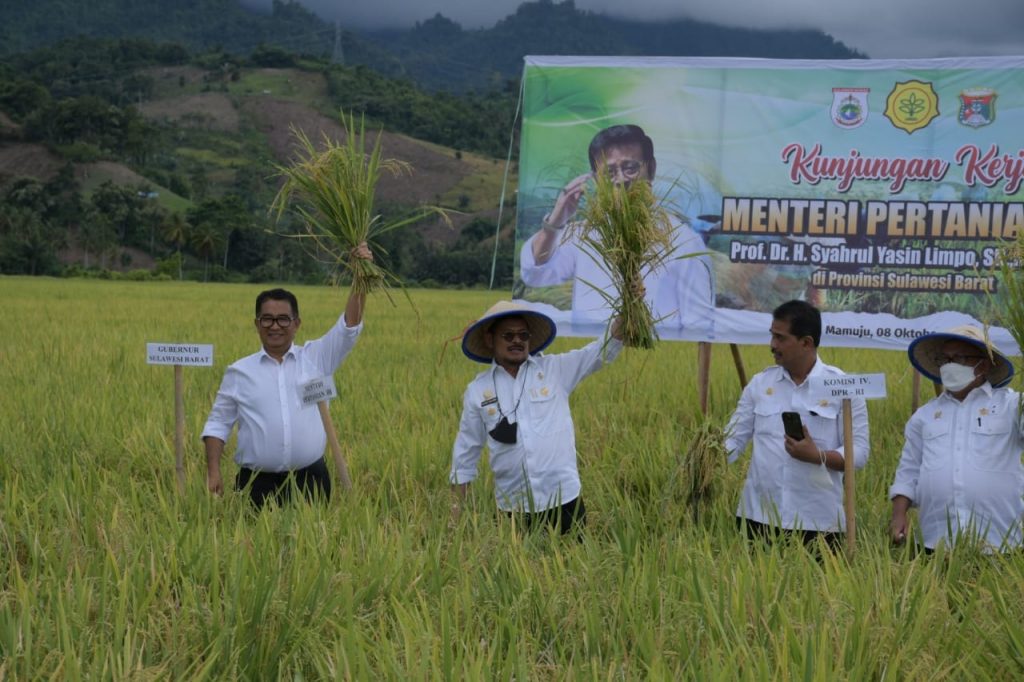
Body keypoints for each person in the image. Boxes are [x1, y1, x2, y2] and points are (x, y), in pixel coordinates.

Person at [201, 244, 372, 508]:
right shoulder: (239, 372)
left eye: (283, 319)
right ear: (257, 324)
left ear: (296, 323)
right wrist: (213, 471)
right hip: (255, 484)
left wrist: (360, 277)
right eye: (267, 319)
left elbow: (349, 326)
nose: (275, 326)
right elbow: (217, 424)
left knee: (314, 544)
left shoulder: (316, 358)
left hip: (310, 480)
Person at [449, 300, 626, 535]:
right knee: (515, 570)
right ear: (490, 340)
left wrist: (629, 305)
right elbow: (465, 454)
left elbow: (603, 349)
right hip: (513, 508)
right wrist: (456, 517)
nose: (517, 340)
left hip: (565, 502)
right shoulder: (478, 390)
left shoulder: (555, 370)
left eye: (523, 335)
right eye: (508, 335)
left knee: (573, 566)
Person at [519, 124, 714, 336]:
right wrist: (557, 220)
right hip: (589, 360)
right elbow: (534, 273)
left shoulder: (684, 240)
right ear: (596, 178)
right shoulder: (584, 234)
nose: (620, 180)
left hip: (654, 358)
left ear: (652, 168)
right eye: (609, 172)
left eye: (630, 168)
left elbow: (699, 324)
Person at [724, 300, 869, 548]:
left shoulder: (843, 387)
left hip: (818, 523)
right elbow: (733, 439)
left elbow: (860, 453)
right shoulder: (760, 384)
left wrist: (818, 456)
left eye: (781, 338)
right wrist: (703, 461)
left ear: (806, 343)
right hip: (757, 518)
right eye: (772, 336)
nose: (772, 345)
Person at [889, 326, 1023, 553]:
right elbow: (909, 469)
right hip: (935, 543)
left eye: (960, 357)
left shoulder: (1012, 406)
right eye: (946, 359)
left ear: (985, 363)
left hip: (1000, 544)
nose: (950, 365)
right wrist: (898, 514)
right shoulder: (925, 415)